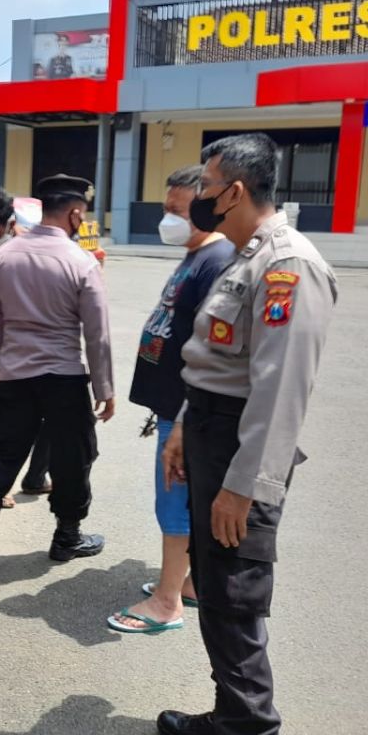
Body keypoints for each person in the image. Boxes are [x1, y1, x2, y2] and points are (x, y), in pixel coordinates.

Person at [157, 134, 336, 735]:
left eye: (206, 186)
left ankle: (248, 732)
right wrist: (185, 425)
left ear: (234, 191)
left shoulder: (288, 266)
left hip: (243, 446)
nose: (198, 198)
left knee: (234, 593)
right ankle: (232, 715)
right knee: (213, 582)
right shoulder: (244, 256)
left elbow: (281, 390)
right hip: (211, 429)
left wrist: (244, 489)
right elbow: (216, 361)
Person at [0, 174, 114, 576]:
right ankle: (67, 537)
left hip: (13, 374)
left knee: (2, 455)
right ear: (75, 214)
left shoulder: (5, 256)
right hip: (63, 377)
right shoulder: (81, 261)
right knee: (72, 457)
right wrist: (104, 387)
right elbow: (97, 333)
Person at [107, 165, 234, 635]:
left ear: (205, 208)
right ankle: (191, 584)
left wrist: (183, 415)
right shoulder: (197, 255)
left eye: (176, 210)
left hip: (185, 411)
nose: (168, 219)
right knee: (182, 498)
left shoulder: (217, 261)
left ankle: (166, 602)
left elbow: (213, 349)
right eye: (166, 209)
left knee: (175, 502)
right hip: (174, 406)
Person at [0, 187, 53, 499]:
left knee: (48, 415)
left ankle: (35, 476)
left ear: (10, 223)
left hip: (34, 347)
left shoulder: (27, 250)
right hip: (0, 352)